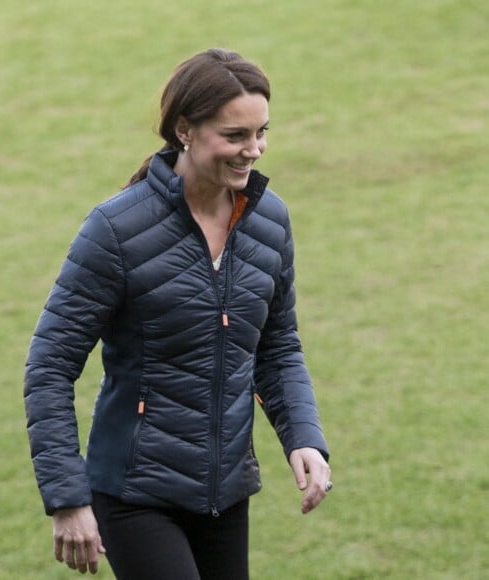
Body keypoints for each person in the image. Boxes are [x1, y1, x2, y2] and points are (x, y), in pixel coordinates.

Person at [24, 48, 331, 579]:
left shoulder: (269, 221)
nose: (253, 150)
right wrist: (67, 498)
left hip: (225, 490)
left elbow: (277, 346)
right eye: (235, 136)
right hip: (134, 490)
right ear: (184, 130)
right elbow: (49, 366)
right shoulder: (116, 230)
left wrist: (303, 435)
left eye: (261, 132)